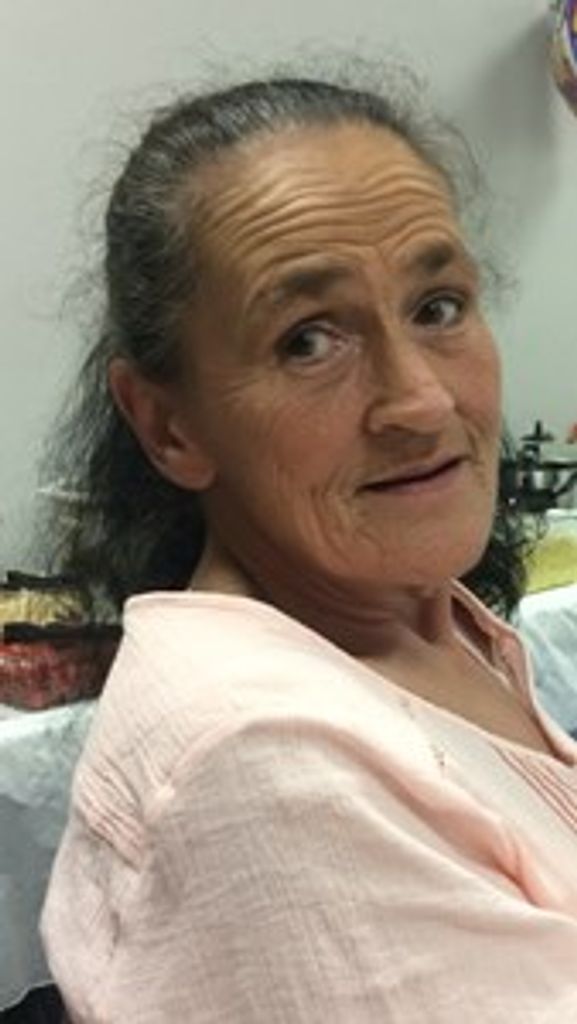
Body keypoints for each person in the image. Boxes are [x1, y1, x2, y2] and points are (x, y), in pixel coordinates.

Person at [40, 76, 577, 1022]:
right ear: (167, 427)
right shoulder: (264, 763)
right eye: (306, 342)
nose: (420, 402)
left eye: (437, 307)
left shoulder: (412, 623)